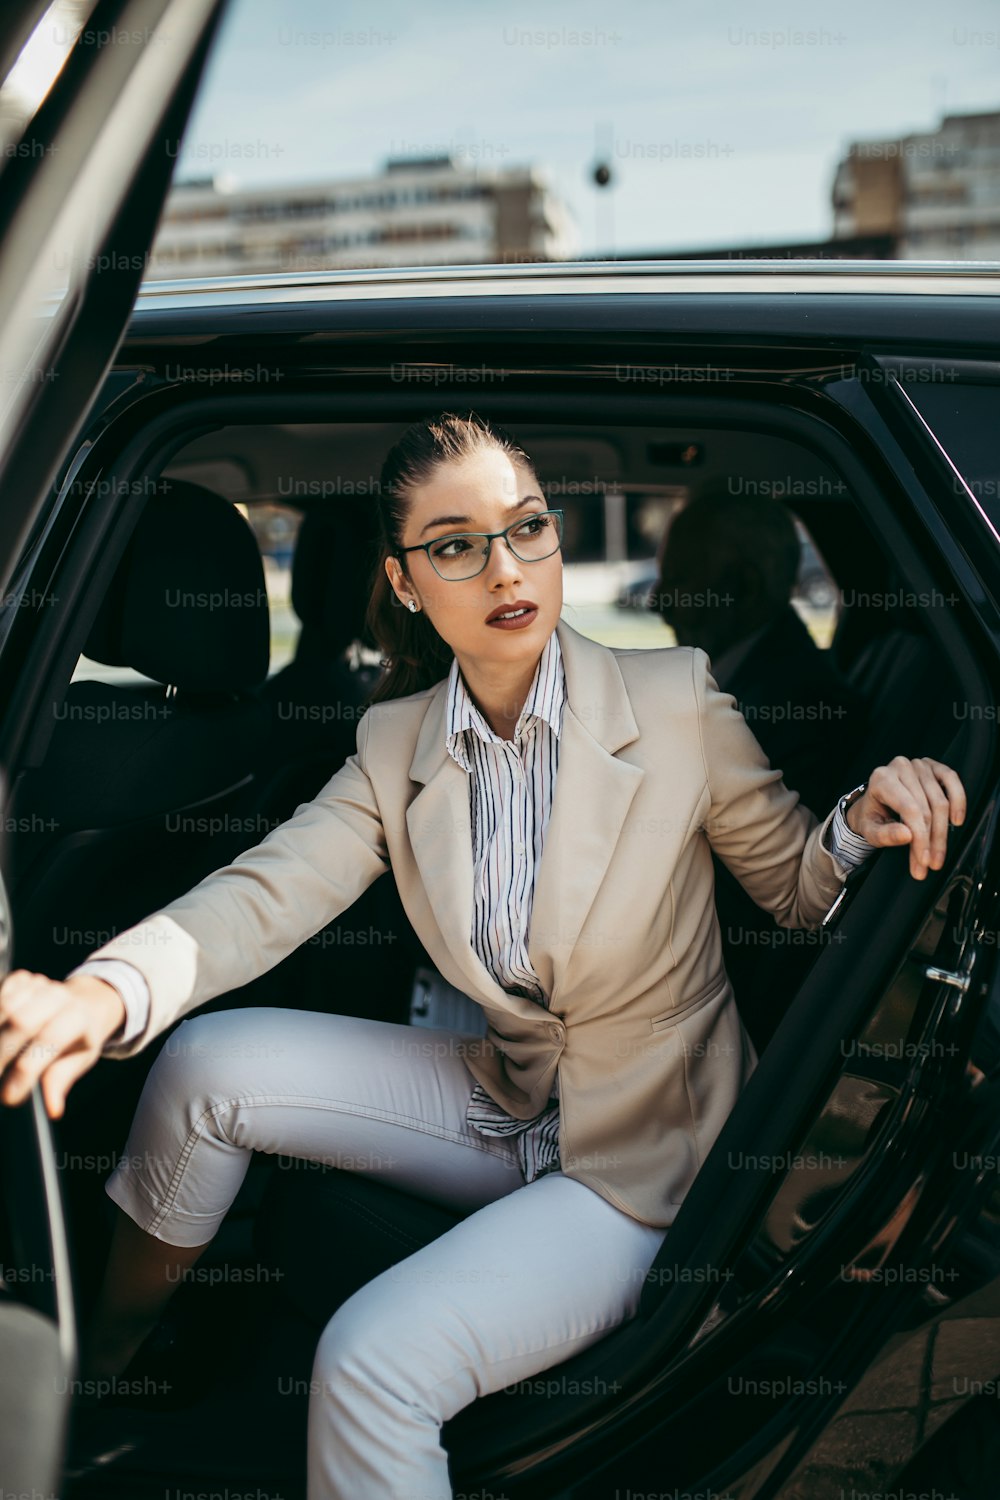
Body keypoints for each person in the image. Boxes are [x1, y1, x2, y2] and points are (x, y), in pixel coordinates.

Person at [0, 412, 967, 1500]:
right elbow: (266, 894)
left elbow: (798, 887)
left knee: (372, 1361)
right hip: (504, 1093)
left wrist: (869, 816)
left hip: (649, 1159)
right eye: (456, 544)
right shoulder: (392, 741)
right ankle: (102, 1384)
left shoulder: (675, 700)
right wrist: (105, 990)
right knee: (203, 1065)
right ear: (406, 583)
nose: (505, 567)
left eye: (528, 529)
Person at [654, 486, 870, 1048]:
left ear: (740, 586)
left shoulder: (798, 717)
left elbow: (753, 912)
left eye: (676, 581)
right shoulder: (752, 686)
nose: (656, 602)